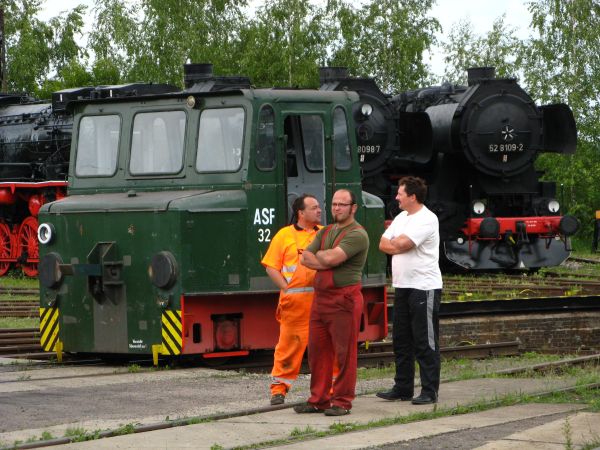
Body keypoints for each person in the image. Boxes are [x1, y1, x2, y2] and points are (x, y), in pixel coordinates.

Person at [294, 189, 369, 416]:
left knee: (344, 354)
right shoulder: (326, 230)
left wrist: (323, 258)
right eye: (334, 204)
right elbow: (305, 256)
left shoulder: (357, 234)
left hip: (343, 299)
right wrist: (325, 260)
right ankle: (319, 399)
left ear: (353, 208)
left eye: (342, 204)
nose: (337, 208)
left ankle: (342, 401)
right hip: (321, 299)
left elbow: (330, 257)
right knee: (317, 352)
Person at [376, 176, 443, 405]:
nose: (396, 197)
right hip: (402, 286)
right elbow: (383, 243)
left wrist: (395, 245)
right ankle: (403, 387)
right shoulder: (401, 217)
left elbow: (401, 245)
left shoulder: (427, 219)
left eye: (400, 194)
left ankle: (429, 390)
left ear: (412, 197)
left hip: (424, 287)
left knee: (425, 340)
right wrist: (394, 244)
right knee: (401, 340)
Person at [261, 194, 322, 405]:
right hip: (295, 304)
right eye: (314, 208)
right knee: (288, 347)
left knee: (324, 348)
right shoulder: (284, 235)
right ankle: (279, 390)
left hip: (320, 302)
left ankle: (328, 389)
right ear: (301, 213)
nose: (319, 210)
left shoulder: (324, 234)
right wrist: (286, 289)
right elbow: (271, 266)